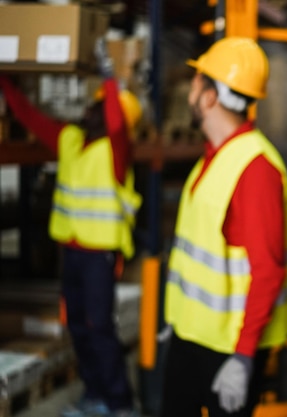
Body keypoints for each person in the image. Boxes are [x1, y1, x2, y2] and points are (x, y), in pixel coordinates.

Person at [159, 36, 287, 417]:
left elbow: (268, 272)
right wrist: (176, 324)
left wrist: (242, 357)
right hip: (192, 338)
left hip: (230, 350)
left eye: (196, 81)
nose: (188, 90)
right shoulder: (214, 157)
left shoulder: (256, 170)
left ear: (209, 97)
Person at [0, 39, 142, 417]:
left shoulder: (116, 151)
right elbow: (29, 117)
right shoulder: (70, 141)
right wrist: (6, 82)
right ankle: (95, 396)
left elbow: (115, 124)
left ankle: (120, 403)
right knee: (78, 327)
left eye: (96, 105)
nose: (89, 108)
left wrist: (109, 77)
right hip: (74, 254)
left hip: (99, 256)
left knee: (99, 329)